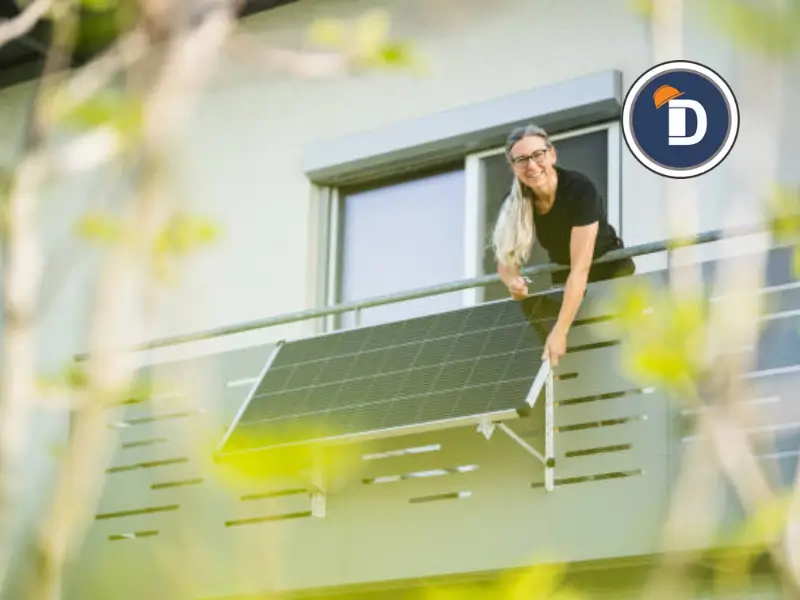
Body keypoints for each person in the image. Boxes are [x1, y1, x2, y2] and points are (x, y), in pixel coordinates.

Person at [492, 124, 634, 368]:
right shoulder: (514, 202)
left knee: (611, 351)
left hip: (609, 272)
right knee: (577, 359)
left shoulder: (579, 190)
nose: (532, 166)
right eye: (522, 159)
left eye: (538, 155)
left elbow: (581, 268)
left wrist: (560, 330)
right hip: (564, 274)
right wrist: (513, 282)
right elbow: (505, 265)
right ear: (513, 167)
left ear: (552, 154)